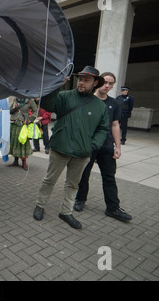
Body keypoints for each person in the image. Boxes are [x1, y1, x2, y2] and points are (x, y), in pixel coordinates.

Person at [33, 66, 109, 230]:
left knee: (73, 184)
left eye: (86, 80)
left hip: (82, 152)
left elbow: (103, 129)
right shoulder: (65, 96)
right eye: (80, 79)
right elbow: (47, 103)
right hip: (60, 147)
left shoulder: (100, 107)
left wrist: (93, 145)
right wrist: (55, 86)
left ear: (95, 83)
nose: (81, 82)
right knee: (50, 179)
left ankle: (66, 212)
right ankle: (40, 205)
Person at [74, 72, 132, 222]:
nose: (107, 86)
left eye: (111, 83)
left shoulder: (114, 103)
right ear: (97, 83)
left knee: (109, 177)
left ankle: (112, 208)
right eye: (105, 82)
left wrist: (118, 146)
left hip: (106, 146)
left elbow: (115, 125)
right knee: (83, 174)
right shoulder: (87, 100)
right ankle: (80, 199)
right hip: (88, 145)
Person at [7, 97, 38, 171]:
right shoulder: (14, 99)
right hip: (14, 123)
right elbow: (9, 111)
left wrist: (30, 120)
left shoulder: (30, 100)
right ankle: (15, 161)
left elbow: (35, 111)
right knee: (14, 142)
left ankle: (24, 162)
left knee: (23, 142)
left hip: (23, 124)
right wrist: (15, 108)